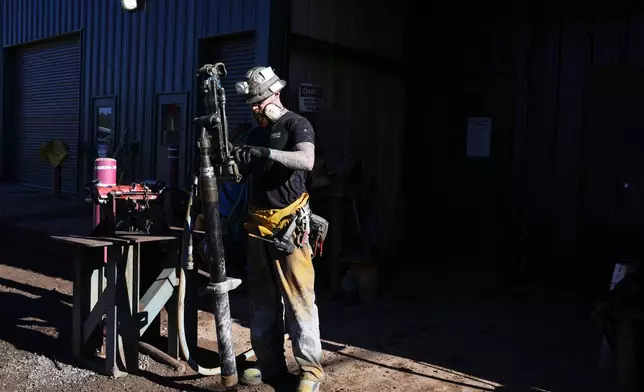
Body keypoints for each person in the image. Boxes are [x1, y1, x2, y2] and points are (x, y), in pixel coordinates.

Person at [232, 66, 324, 392]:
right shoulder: (256, 131)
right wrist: (237, 161)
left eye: (259, 102)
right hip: (258, 225)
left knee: (299, 301)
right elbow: (243, 174)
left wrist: (268, 151)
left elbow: (307, 160)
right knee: (262, 302)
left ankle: (310, 372)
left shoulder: (297, 124)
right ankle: (269, 364)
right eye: (252, 104)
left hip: (290, 227)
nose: (255, 108)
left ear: (276, 95)